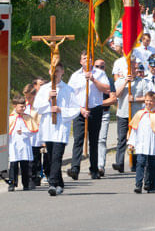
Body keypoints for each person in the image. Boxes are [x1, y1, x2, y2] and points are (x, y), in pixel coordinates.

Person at [33, 63, 80, 196]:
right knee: (49, 157)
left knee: (57, 156)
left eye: (57, 71)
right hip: (48, 127)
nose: (55, 74)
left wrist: (60, 110)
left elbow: (75, 109)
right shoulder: (44, 89)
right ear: (49, 72)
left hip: (60, 127)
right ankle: (60, 183)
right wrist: (48, 100)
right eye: (53, 71)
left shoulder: (68, 89)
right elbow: (37, 106)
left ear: (62, 72)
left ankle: (52, 183)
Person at [67, 51, 111, 180]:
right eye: (84, 58)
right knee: (78, 140)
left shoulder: (100, 73)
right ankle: (75, 168)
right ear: (81, 61)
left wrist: (93, 80)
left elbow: (106, 88)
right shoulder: (75, 76)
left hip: (95, 109)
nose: (87, 60)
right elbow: (70, 96)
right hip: (80, 111)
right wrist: (80, 109)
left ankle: (94, 169)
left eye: (89, 58)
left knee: (94, 141)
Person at [127, 92, 155, 193]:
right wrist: (131, 142)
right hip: (141, 144)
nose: (148, 103)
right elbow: (134, 129)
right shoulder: (140, 114)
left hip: (153, 144)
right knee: (140, 163)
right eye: (147, 100)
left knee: (152, 165)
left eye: (150, 101)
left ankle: (149, 185)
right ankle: (138, 185)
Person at [112, 60, 152, 173]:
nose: (134, 71)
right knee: (121, 139)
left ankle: (134, 163)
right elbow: (116, 95)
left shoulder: (142, 82)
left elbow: (147, 97)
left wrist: (135, 99)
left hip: (136, 114)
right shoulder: (120, 81)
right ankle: (119, 162)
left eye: (135, 68)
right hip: (122, 113)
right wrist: (125, 82)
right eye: (131, 68)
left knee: (135, 139)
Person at [8, 96, 37, 191]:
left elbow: (33, 131)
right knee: (13, 165)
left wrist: (24, 131)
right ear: (14, 106)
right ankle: (12, 183)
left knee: (25, 166)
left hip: (25, 145)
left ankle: (26, 184)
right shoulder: (10, 118)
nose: (23, 108)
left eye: (24, 106)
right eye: (21, 106)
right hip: (14, 145)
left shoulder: (28, 117)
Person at [95, 58, 117, 177]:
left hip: (103, 112)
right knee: (92, 140)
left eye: (101, 67)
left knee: (101, 139)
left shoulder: (108, 80)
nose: (99, 69)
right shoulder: (89, 81)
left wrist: (99, 103)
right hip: (91, 113)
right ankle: (93, 165)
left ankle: (100, 166)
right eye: (97, 67)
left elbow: (113, 99)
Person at [23, 83, 44, 186]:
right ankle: (30, 177)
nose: (28, 99)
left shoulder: (38, 107)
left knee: (36, 157)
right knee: (28, 158)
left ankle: (36, 176)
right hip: (27, 136)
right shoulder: (24, 106)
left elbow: (40, 121)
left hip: (36, 136)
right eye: (26, 97)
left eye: (30, 97)